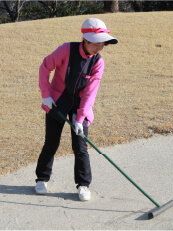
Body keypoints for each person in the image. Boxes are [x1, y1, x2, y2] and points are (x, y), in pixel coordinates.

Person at [35, 18, 118, 201]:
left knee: (80, 146)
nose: (99, 48)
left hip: (80, 105)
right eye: (96, 43)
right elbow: (45, 67)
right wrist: (45, 94)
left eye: (103, 44)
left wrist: (80, 118)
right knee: (51, 142)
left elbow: (90, 92)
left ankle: (83, 185)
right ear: (86, 40)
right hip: (56, 101)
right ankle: (42, 178)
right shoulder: (66, 49)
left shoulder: (98, 62)